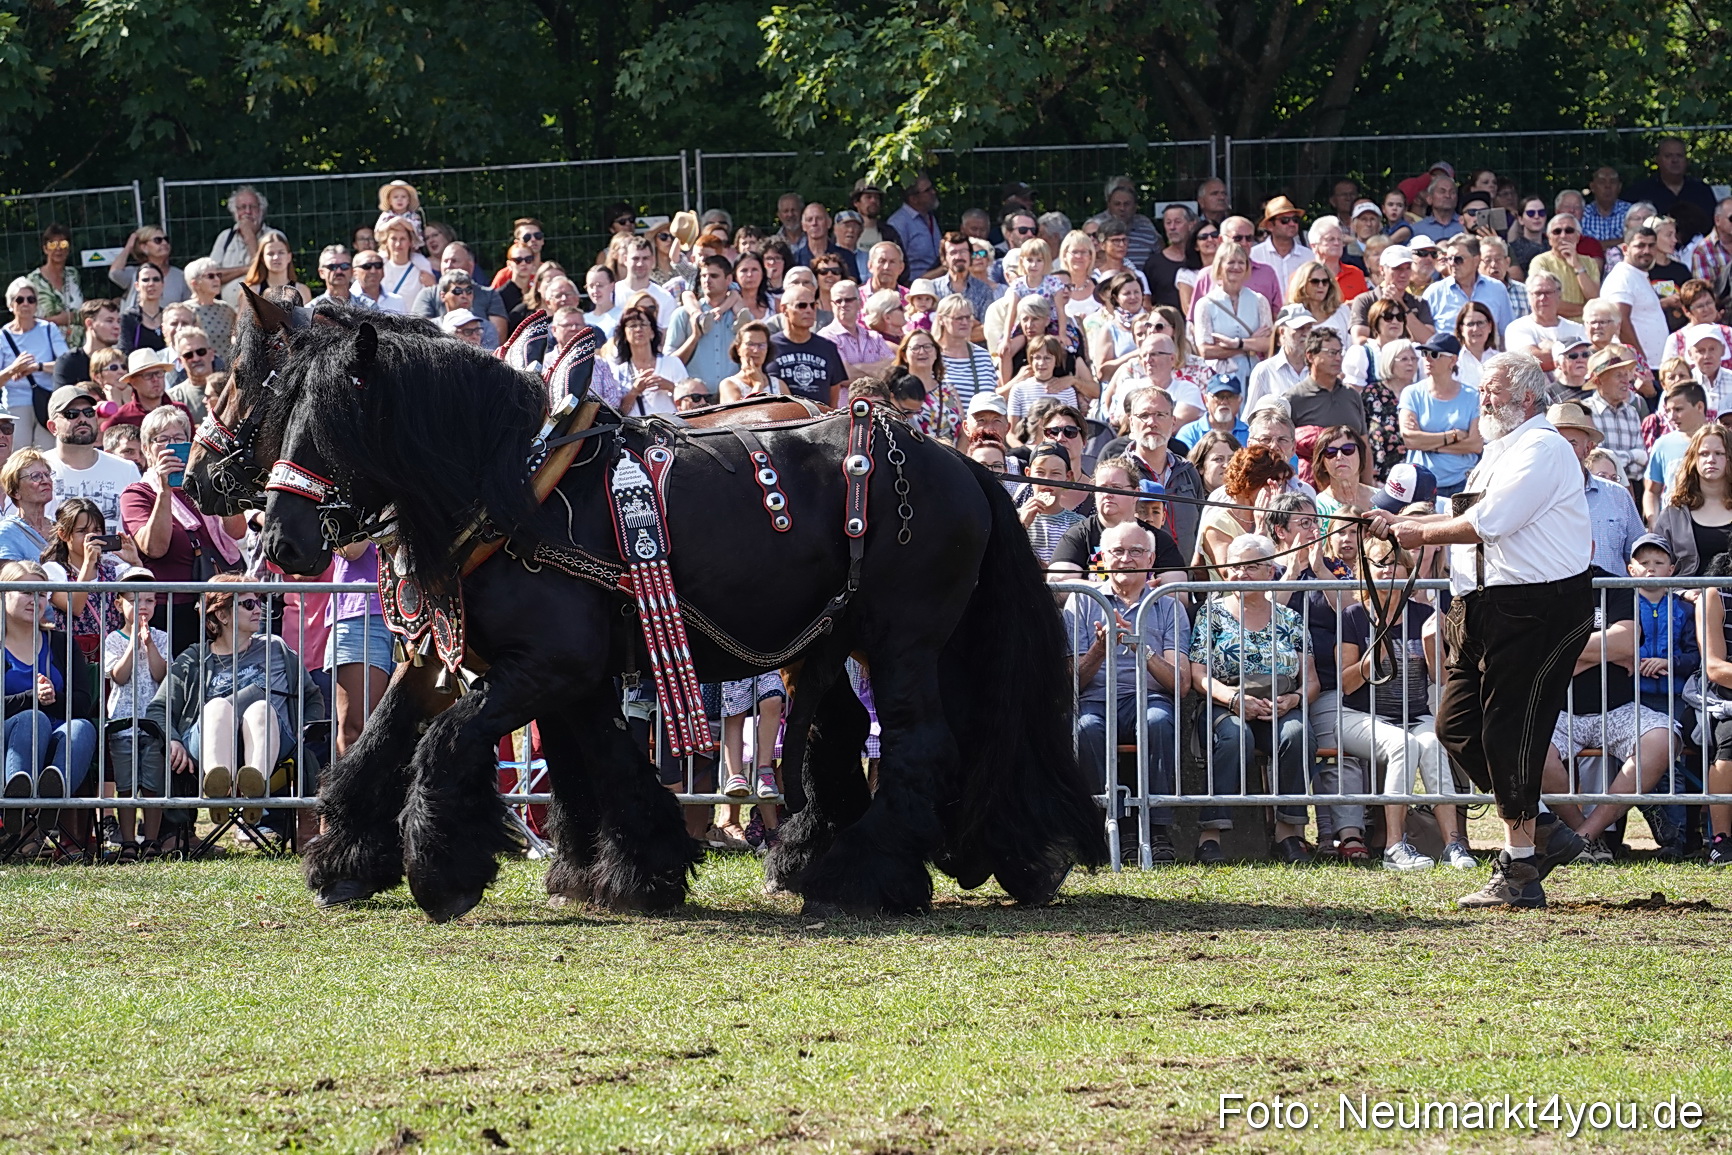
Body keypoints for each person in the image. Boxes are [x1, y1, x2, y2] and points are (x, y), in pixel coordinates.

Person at [1375, 352, 1594, 909]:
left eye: (1493, 390)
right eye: (1483, 390)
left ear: (1526, 396)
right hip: (1481, 606)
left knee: (1507, 733)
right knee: (1455, 726)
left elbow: (1488, 522)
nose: (1484, 399)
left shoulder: (1542, 447)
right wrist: (1401, 522)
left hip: (1537, 607)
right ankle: (1544, 829)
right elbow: (1466, 515)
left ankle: (1519, 868)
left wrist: (1418, 536)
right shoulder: (1499, 451)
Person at [1333, 536, 1473, 870]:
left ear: (1407, 571)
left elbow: (1441, 678)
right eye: (1378, 563)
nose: (1386, 570)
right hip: (1359, 715)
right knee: (1404, 746)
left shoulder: (1424, 614)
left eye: (1393, 563)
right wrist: (1376, 654)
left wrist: (1432, 644)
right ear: (1365, 572)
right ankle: (1394, 847)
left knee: (1433, 745)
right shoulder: (1353, 616)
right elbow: (1346, 683)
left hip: (1414, 713)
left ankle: (1453, 845)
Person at [148, 574, 325, 826]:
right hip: (209, 745)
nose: (258, 610)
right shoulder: (195, 658)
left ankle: (255, 792)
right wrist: (172, 739)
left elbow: (312, 696)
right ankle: (218, 789)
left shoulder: (276, 648)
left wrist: (303, 731)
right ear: (222, 615)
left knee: (261, 708)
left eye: (259, 602)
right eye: (249, 604)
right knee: (218, 707)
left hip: (272, 745)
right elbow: (159, 707)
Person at [1188, 532, 1320, 864]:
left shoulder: (1290, 618)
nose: (1240, 574)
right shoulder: (1211, 613)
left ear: (1270, 572)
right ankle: (1210, 837)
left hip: (1279, 704)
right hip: (1225, 701)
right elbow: (1198, 674)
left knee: (1297, 734)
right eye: (1235, 567)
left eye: (1251, 567)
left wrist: (1295, 699)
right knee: (1235, 737)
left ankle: (1287, 834)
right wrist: (1233, 699)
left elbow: (1311, 681)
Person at [1067, 520, 1189, 862]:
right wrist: (1099, 650)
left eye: (1136, 551)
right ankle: (1107, 826)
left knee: (1158, 721)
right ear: (1102, 558)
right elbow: (1070, 682)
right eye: (1118, 551)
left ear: (1151, 559)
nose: (1126, 559)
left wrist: (1140, 648)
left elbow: (1180, 684)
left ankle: (1157, 828)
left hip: (1148, 697)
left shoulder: (1168, 605)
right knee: (1085, 729)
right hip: (1095, 699)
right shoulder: (1082, 602)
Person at [119, 406, 245, 653]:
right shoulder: (137, 494)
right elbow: (154, 548)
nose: (172, 446)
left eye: (179, 439)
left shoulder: (203, 487)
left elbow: (237, 532)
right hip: (170, 611)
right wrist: (164, 491)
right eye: (162, 439)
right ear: (146, 449)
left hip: (216, 608)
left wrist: (222, 485)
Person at [0, 558, 96, 853]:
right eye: (27, 592)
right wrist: (33, 698)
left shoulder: (61, 643)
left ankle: (49, 803)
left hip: (57, 739)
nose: (36, 599)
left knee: (82, 727)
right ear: (4, 595)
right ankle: (18, 809)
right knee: (33, 718)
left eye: (42, 593)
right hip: (7, 740)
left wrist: (54, 698)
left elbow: (83, 703)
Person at [103, 570, 175, 858]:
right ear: (119, 604)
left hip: (153, 723)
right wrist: (133, 643)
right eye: (134, 601)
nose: (142, 606)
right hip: (122, 723)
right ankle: (128, 841)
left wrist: (149, 644)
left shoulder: (162, 637)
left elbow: (160, 674)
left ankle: (152, 840)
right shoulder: (113, 639)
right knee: (126, 786)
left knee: (153, 785)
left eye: (149, 600)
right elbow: (119, 676)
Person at [42, 383, 140, 532]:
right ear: (52, 427)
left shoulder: (127, 470)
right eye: (72, 414)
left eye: (89, 412)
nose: (83, 419)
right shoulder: (36, 470)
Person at [1396, 334, 1481, 499]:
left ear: (1453, 360)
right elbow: (1410, 440)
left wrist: (1428, 445)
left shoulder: (1473, 396)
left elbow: (1475, 444)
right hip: (1422, 482)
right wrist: (1453, 436)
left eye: (1435, 354)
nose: (1428, 359)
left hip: (1462, 482)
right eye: (1425, 353)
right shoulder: (1412, 393)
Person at [1194, 442, 1291, 579]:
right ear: (1250, 483)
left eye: (1280, 485)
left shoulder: (1276, 520)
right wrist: (1261, 531)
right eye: (1272, 484)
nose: (1278, 491)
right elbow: (1231, 576)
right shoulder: (1218, 525)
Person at [1650, 422, 1732, 575]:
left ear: (1729, 457)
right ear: (1694, 459)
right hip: (1685, 590)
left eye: (1719, 453)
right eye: (1704, 454)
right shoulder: (1673, 514)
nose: (1711, 459)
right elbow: (1656, 566)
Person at [2, 276, 68, 449]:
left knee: (47, 453)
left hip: (47, 399)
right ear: (10, 304)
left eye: (31, 300)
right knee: (17, 453)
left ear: (36, 304)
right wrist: (13, 369)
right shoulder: (2, 336)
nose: (26, 304)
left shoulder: (49, 329)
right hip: (16, 403)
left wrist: (37, 367)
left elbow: (65, 364)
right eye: (20, 300)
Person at [1195, 246, 1271, 383]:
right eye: (1231, 262)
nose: (1236, 267)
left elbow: (1268, 343)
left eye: (1241, 262)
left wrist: (1236, 343)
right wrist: (1249, 345)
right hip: (1220, 379)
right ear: (1219, 266)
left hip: (1253, 375)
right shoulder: (1205, 304)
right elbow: (1206, 351)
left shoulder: (1259, 300)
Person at [1601, 226, 1670, 370]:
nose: (1646, 251)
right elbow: (1620, 321)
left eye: (1651, 246)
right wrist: (1639, 361)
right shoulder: (1622, 277)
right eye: (1640, 245)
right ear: (1625, 249)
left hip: (1653, 366)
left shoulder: (1637, 275)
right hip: (1637, 368)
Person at [1582, 344, 1649, 490]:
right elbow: (1594, 459)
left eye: (1626, 374)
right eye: (1618, 375)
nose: (1626, 381)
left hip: (1632, 489)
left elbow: (1642, 459)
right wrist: (1632, 456)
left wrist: (1612, 460)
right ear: (1599, 381)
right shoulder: (1585, 412)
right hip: (1597, 489)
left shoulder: (1631, 412)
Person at [1422, 236, 1513, 339]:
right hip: (1449, 349)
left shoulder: (1497, 289)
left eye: (1458, 259)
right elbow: (1424, 336)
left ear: (1476, 260)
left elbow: (1506, 333)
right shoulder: (1434, 292)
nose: (1452, 263)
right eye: (1449, 259)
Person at [1282, 326, 1363, 433]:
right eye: (1331, 352)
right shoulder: (1293, 399)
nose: (1338, 358)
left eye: (1340, 352)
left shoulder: (1352, 396)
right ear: (1310, 356)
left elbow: (1363, 439)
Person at [1018, 442, 1084, 563]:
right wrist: (1021, 525)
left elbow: (1087, 562)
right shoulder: (1013, 516)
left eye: (1055, 473)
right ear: (1028, 474)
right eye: (1040, 472)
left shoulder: (1079, 523)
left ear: (1068, 477)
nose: (1047, 479)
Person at [1527, 214, 1600, 321]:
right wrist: (1586, 309)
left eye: (1569, 231)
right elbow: (1546, 302)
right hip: (1554, 326)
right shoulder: (1541, 262)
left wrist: (1577, 265)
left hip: (1585, 326)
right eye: (1557, 231)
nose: (1563, 235)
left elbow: (1594, 298)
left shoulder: (1589, 262)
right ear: (1549, 238)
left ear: (1578, 237)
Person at [107, 225, 189, 312]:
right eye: (158, 240)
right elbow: (114, 273)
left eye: (166, 239)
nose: (164, 243)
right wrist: (129, 246)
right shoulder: (135, 273)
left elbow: (187, 307)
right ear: (144, 247)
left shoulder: (180, 276)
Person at [1312, 425, 1377, 534]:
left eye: (1348, 449)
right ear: (1322, 464)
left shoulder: (1382, 499)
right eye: (1330, 452)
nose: (1339, 456)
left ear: (1361, 455)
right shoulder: (1317, 508)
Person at [29, 224, 83, 345]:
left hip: (78, 345)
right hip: (47, 344)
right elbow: (27, 319)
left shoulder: (73, 274)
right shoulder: (32, 280)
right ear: (45, 249)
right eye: (52, 244)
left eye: (63, 244)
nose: (58, 248)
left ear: (68, 249)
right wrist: (58, 320)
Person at [208, 186, 270, 288]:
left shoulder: (273, 236)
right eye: (242, 207)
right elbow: (211, 275)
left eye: (253, 207)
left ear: (261, 210)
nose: (248, 212)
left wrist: (249, 236)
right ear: (235, 211)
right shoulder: (225, 237)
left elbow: (264, 272)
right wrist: (246, 269)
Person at [0, 448, 56, 560]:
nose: (46, 481)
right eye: (36, 476)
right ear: (15, 491)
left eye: (47, 474)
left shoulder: (58, 529)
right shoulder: (8, 532)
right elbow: (9, 571)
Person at [1250, 196, 1314, 285]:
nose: (1292, 224)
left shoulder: (1309, 256)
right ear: (1270, 226)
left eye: (1295, 220)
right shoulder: (1254, 256)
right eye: (1285, 220)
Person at [1175, 373, 1247, 450]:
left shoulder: (1250, 433)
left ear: (1240, 400)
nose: (1224, 402)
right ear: (1206, 400)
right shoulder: (1190, 433)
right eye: (1218, 396)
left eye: (1230, 396)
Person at [240, 230, 312, 306]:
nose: (276, 257)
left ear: (289, 257)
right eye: (270, 253)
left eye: (281, 252)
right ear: (262, 258)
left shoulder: (302, 291)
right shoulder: (252, 292)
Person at [1175, 219, 1221, 317]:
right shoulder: (1186, 274)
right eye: (1203, 237)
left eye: (1214, 235)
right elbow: (1188, 309)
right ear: (1196, 246)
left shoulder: (1232, 270)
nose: (1210, 239)